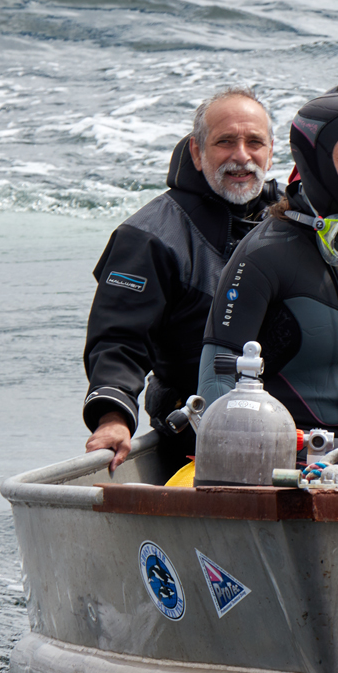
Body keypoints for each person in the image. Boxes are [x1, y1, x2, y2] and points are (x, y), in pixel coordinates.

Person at [198, 93, 338, 486]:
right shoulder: (263, 255)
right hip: (283, 449)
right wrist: (234, 465)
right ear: (315, 165)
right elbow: (218, 378)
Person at [82, 87, 282, 472]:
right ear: (196, 151)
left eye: (254, 142)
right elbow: (119, 339)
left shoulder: (295, 221)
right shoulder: (148, 238)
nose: (242, 156)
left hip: (296, 418)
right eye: (225, 142)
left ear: (270, 151)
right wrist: (113, 417)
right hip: (198, 427)